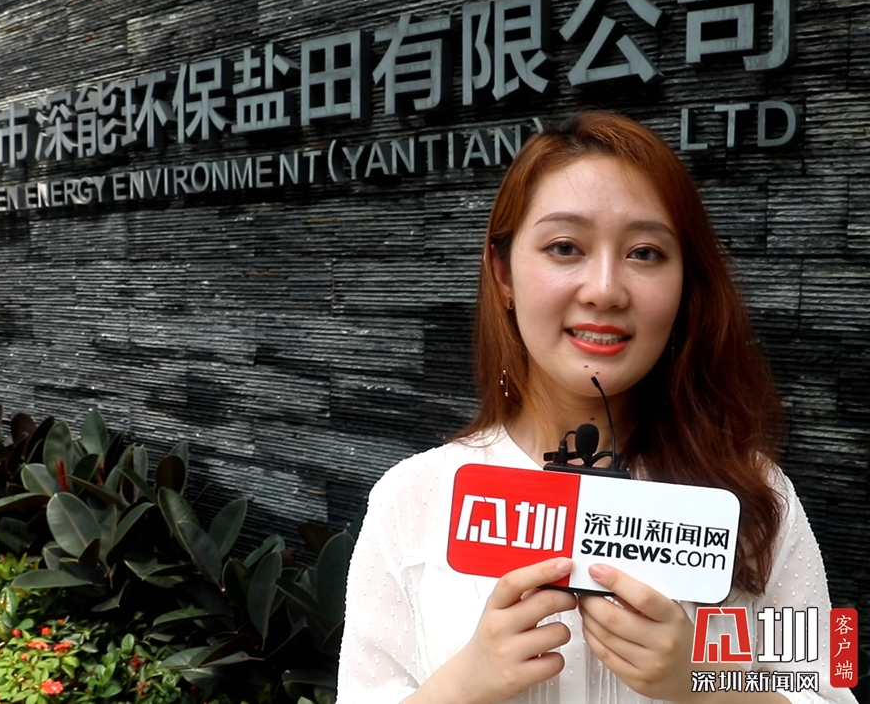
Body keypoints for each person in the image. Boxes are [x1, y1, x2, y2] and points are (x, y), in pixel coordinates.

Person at [336, 112, 858, 704]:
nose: (605, 289)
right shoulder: (411, 499)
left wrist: (706, 684)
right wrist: (462, 684)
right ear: (503, 274)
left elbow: (832, 689)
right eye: (564, 247)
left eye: (645, 252)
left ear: (685, 282)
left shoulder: (759, 494)